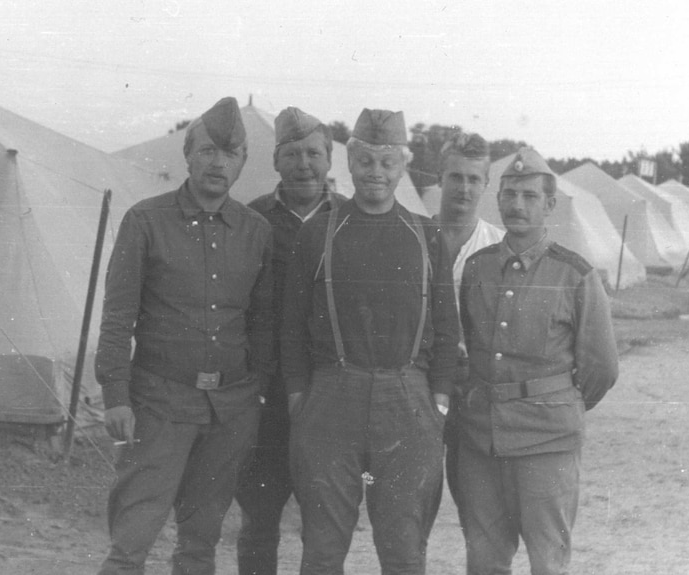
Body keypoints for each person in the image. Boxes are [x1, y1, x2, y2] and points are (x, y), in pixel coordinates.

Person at [95, 97, 274, 575]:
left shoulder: (256, 231)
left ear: (242, 164)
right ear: (188, 155)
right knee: (131, 541)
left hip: (229, 412)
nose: (219, 163)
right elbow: (117, 316)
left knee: (200, 544)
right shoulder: (145, 221)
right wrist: (116, 395)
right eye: (209, 151)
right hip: (159, 404)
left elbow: (260, 322)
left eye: (231, 153)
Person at [282, 108, 459, 574]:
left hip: (407, 403)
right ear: (350, 163)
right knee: (322, 548)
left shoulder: (426, 235)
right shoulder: (317, 231)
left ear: (403, 166)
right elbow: (291, 325)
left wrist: (438, 400)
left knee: (403, 549)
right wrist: (300, 395)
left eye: (387, 163)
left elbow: (447, 325)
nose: (376, 174)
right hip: (331, 399)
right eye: (366, 162)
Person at [455, 147, 619, 575]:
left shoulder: (574, 274)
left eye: (529, 196)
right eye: (509, 194)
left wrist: (557, 406)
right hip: (482, 439)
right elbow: (470, 351)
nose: (517, 205)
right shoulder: (477, 268)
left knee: (547, 562)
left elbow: (601, 367)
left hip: (548, 441)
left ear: (549, 205)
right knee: (484, 559)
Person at [235, 106, 346, 575]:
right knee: (259, 520)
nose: (304, 164)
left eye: (314, 153)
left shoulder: (353, 219)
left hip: (331, 396)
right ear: (276, 162)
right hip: (268, 398)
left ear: (330, 159)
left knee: (325, 523)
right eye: (293, 154)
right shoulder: (252, 220)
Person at [431, 132, 504, 522]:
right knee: (413, 504)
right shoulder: (414, 236)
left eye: (474, 179)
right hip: (423, 387)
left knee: (477, 510)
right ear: (439, 177)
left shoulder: (500, 247)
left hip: (476, 394)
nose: (464, 187)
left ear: (486, 184)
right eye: (455, 176)